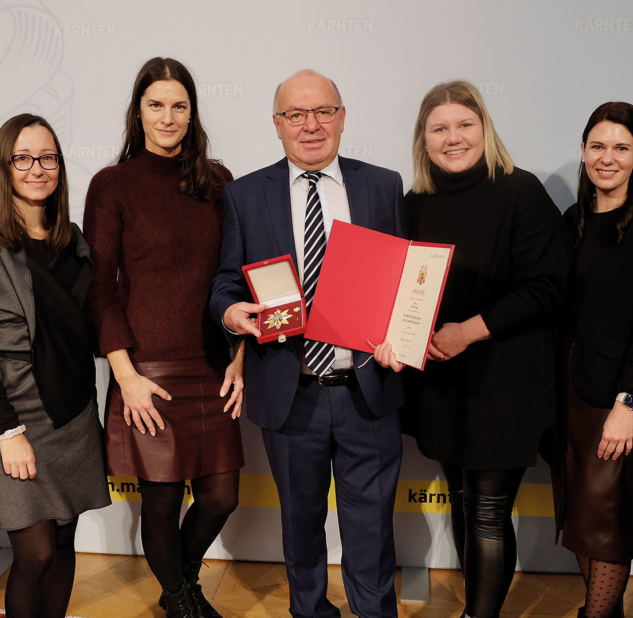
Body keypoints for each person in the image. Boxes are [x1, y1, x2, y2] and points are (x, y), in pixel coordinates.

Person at [209, 69, 405, 618]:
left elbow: (405, 280)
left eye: (323, 111)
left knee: (371, 534)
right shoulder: (245, 195)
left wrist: (404, 331)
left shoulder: (383, 186)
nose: (310, 125)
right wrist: (230, 312)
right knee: (300, 529)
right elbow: (226, 280)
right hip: (290, 391)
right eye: (295, 114)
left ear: (343, 118)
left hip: (369, 388)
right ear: (277, 125)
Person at [374, 80, 567, 618]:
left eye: (464, 125)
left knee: (486, 510)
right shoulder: (413, 204)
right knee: (462, 500)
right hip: (440, 382)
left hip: (504, 381)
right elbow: (396, 290)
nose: (453, 138)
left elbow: (550, 285)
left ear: (484, 129)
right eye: (440, 129)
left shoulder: (519, 191)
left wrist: (470, 329)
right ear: (424, 139)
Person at [84, 57, 244, 618]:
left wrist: (240, 359)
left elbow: (239, 277)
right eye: (156, 105)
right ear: (139, 112)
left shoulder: (218, 181)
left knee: (222, 495)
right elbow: (100, 290)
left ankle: (182, 577)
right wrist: (125, 378)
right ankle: (180, 598)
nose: (168, 116)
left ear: (192, 112)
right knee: (161, 500)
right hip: (145, 372)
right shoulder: (112, 185)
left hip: (211, 363)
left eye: (179, 105)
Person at [0, 113, 111, 617]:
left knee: (63, 544)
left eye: (48, 158)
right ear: (4, 165)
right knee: (35, 553)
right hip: (11, 407)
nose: (37, 169)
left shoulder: (72, 240)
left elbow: (93, 323)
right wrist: (7, 429)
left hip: (73, 409)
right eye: (23, 158)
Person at [552, 102, 633, 618]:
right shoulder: (571, 221)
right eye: (598, 146)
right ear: (583, 152)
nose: (608, 158)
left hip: (622, 400)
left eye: (621, 148)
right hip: (570, 395)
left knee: (608, 526)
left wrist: (628, 404)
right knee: (582, 519)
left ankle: (596, 615)